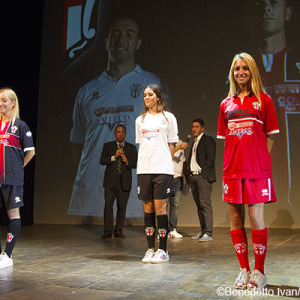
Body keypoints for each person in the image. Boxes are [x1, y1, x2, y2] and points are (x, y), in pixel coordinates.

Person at [69, 17, 166, 218]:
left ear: (138, 43)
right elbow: (77, 143)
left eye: (129, 34)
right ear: (105, 41)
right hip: (90, 195)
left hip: (136, 197)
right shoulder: (87, 91)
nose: (122, 39)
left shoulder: (152, 84)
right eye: (116, 33)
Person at [217, 53, 279, 290]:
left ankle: (259, 272)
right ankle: (243, 270)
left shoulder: (264, 100)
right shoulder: (225, 104)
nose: (240, 72)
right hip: (232, 170)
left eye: (245, 68)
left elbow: (271, 134)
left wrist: (261, 157)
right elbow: (226, 139)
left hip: (257, 170)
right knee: (236, 219)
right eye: (236, 69)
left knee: (255, 218)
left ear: (252, 71)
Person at [246, 0, 299, 201]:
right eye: (258, 4)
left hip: (294, 189)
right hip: (254, 187)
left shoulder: (297, 64)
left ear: (288, 12)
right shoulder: (237, 69)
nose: (266, 8)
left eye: (274, 3)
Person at [135, 84, 178, 263]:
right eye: (145, 95)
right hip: (144, 169)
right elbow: (142, 145)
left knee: (160, 208)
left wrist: (167, 164)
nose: (146, 97)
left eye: (150, 94)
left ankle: (163, 250)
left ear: (158, 97)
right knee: (147, 208)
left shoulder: (168, 118)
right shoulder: (140, 120)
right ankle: (150, 249)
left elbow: (172, 144)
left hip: (162, 170)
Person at [0, 88, 35, 269]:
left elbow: (30, 152)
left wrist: (17, 168)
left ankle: (8, 254)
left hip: (12, 180)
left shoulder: (20, 125)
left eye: (4, 100)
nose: (1, 103)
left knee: (13, 214)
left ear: (13, 103)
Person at [100, 124, 137, 239]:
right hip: (110, 182)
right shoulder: (108, 146)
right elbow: (102, 160)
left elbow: (135, 164)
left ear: (125, 134)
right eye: (118, 132)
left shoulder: (131, 148)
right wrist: (113, 157)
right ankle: (107, 231)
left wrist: (127, 161)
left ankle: (118, 230)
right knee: (108, 206)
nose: (120, 134)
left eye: (122, 132)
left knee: (122, 207)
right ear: (115, 133)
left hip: (124, 182)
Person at [186, 119, 216, 242]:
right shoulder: (194, 143)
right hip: (194, 177)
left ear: (202, 128)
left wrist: (203, 175)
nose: (194, 129)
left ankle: (208, 232)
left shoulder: (208, 140)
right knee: (199, 206)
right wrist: (189, 174)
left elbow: (210, 158)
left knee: (205, 204)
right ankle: (203, 231)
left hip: (202, 177)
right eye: (193, 127)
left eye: (197, 127)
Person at [167, 139, 188, 238]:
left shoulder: (181, 142)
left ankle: (173, 229)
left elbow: (183, 162)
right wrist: (179, 147)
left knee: (175, 205)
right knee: (164, 205)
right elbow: (167, 153)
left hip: (178, 178)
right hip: (166, 178)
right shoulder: (164, 141)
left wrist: (187, 178)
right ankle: (162, 230)